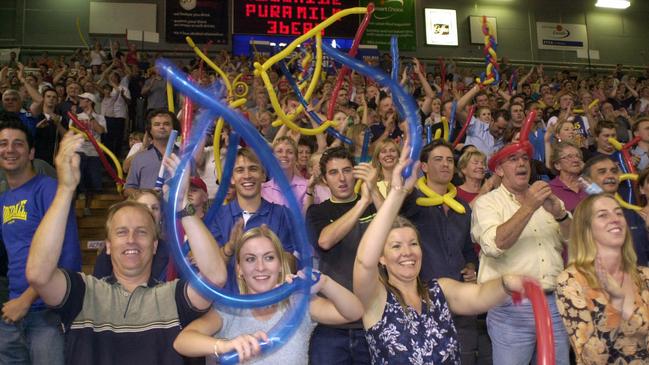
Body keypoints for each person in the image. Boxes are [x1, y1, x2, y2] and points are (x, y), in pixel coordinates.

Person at [25, 131, 227, 364]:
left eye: (141, 232)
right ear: (108, 246)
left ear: (154, 246)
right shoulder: (84, 293)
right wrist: (65, 190)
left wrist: (182, 206)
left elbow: (215, 277)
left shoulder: (171, 296)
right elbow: (38, 274)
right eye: (122, 232)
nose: (131, 239)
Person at [353, 143, 530, 364]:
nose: (407, 252)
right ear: (381, 256)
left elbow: (479, 295)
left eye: (414, 244)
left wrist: (506, 282)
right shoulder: (376, 298)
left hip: (459, 308)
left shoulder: (439, 290)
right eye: (396, 246)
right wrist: (398, 193)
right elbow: (364, 260)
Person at [173, 225, 364, 364]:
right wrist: (224, 345)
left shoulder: (297, 303)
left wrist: (325, 283)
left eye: (269, 258)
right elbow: (182, 341)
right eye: (250, 259)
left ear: (280, 264)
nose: (260, 267)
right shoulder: (229, 310)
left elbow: (354, 312)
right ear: (239, 269)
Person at [471, 141, 572, 365]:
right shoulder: (487, 203)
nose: (521, 163)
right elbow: (494, 245)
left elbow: (575, 240)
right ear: (498, 170)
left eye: (525, 158)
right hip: (510, 307)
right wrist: (529, 206)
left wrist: (560, 215)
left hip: (553, 304)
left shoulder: (548, 198)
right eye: (513, 159)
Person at [0, 119, 80, 365]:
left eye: (18, 144)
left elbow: (67, 258)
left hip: (47, 313)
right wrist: (16, 304)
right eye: (3, 144)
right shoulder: (3, 199)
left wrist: (25, 301)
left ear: (31, 152)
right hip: (11, 313)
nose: (10, 149)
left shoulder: (50, 189)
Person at [306, 146, 382, 365]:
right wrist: (361, 205)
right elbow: (325, 240)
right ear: (324, 180)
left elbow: (396, 231)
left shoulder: (374, 202)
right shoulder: (318, 212)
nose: (342, 178)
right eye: (333, 172)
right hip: (333, 323)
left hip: (373, 320)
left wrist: (373, 189)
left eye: (347, 170)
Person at [556, 194, 649, 364]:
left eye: (618, 213)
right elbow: (589, 357)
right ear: (586, 229)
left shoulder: (644, 276)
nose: (615, 219)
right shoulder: (571, 281)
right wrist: (616, 303)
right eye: (603, 215)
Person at [209, 147, 296, 292]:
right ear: (231, 178)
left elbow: (292, 265)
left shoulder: (283, 215)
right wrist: (230, 247)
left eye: (253, 168)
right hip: (229, 305)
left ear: (263, 175)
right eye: (240, 170)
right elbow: (210, 271)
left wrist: (270, 247)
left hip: (273, 304)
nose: (247, 175)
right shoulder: (216, 217)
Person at [581, 155, 649, 266]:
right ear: (588, 180)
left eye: (614, 171)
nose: (610, 175)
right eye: (602, 172)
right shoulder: (581, 215)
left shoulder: (634, 216)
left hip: (639, 280)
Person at [93, 189, 169, 282]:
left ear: (161, 215)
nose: (150, 212)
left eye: (155, 208)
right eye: (143, 207)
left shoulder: (172, 253)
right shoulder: (111, 249)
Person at [123, 109, 177, 196]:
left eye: (166, 124)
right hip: (147, 208)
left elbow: (195, 184)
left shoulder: (185, 155)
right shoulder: (139, 157)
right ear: (150, 130)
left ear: (173, 128)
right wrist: (147, 196)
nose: (162, 127)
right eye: (157, 124)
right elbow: (127, 190)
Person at [75, 92, 107, 216]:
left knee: (91, 183)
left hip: (94, 152)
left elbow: (100, 131)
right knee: (78, 180)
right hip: (80, 150)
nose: (80, 101)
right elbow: (72, 132)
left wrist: (91, 117)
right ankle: (76, 206)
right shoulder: (76, 116)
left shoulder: (100, 117)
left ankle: (87, 207)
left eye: (82, 99)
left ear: (89, 101)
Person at [261, 137, 308, 212]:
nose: (284, 155)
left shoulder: (307, 187)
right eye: (279, 151)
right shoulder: (262, 189)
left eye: (289, 152)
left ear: (296, 158)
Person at [549, 141, 587, 212]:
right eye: (569, 157)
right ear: (557, 165)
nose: (576, 160)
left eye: (577, 156)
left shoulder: (589, 183)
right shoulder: (550, 190)